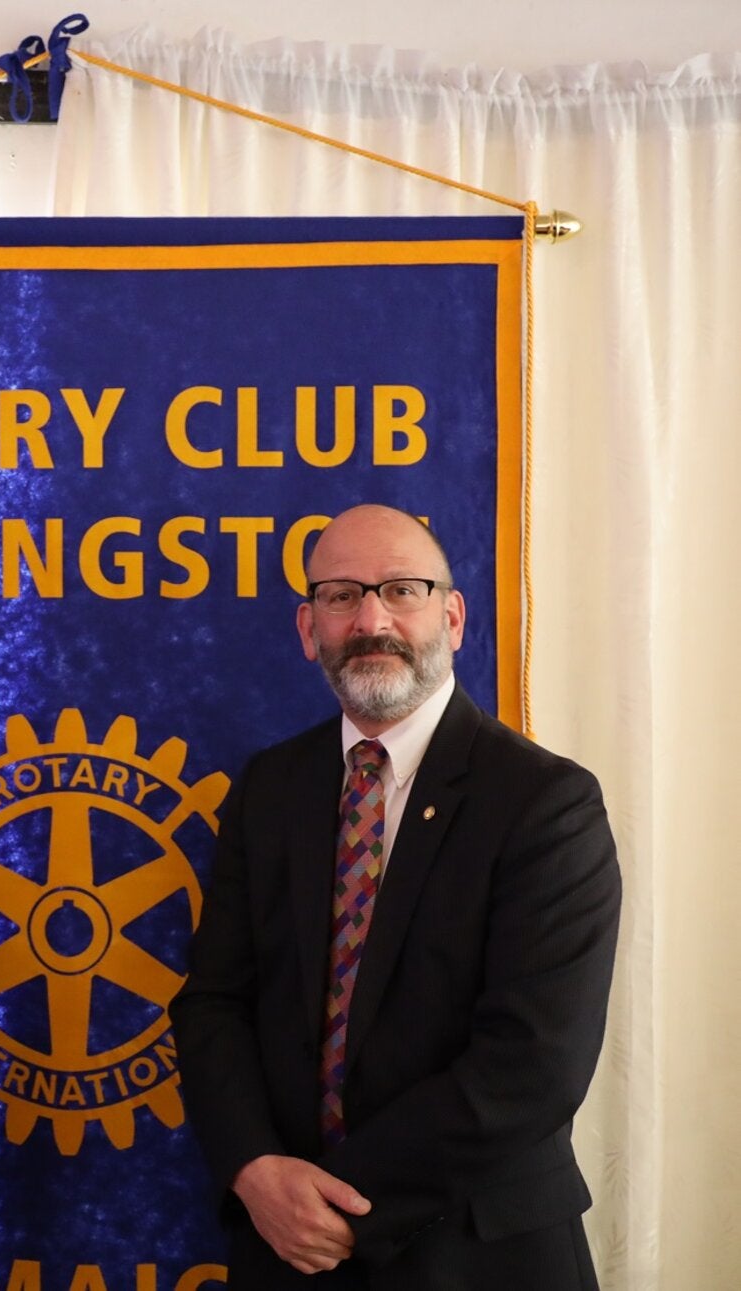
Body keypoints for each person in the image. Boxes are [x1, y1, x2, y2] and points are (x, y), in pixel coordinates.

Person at [170, 504, 621, 1290]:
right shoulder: (269, 789)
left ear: (452, 615)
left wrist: (335, 1201)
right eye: (341, 595)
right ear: (309, 628)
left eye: (402, 590)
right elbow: (213, 1003)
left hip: (477, 1252)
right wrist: (255, 1170)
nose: (371, 617)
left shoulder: (546, 802)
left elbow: (533, 1063)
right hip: (284, 1247)